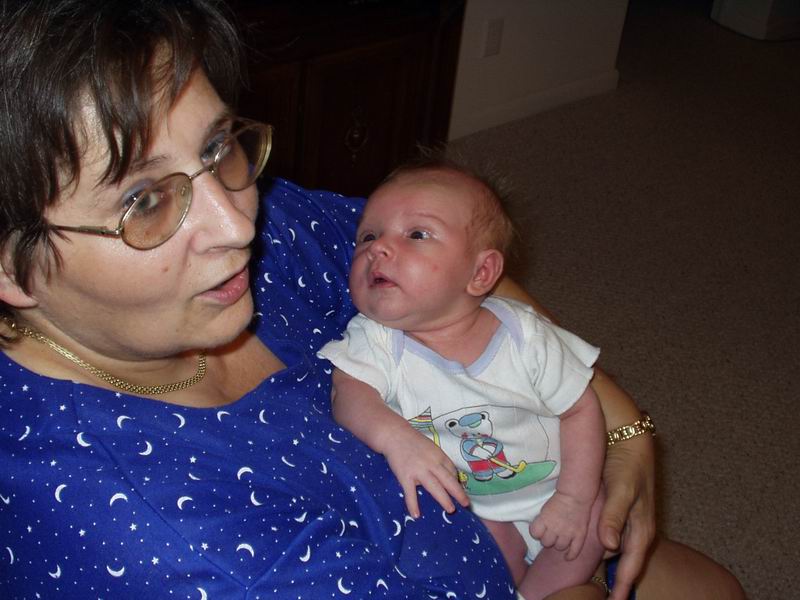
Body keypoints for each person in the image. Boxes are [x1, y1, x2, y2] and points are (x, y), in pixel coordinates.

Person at [0, 1, 745, 599]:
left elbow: (454, 275)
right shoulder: (183, 550)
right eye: (144, 201)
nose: (239, 224)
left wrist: (624, 429)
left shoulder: (268, 232)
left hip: (526, 503)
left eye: (218, 147)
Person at [318, 159, 607, 599]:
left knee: (594, 525)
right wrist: (396, 438)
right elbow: (348, 393)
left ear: (480, 273)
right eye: (368, 236)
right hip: (473, 508)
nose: (378, 249)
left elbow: (581, 410)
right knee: (474, 559)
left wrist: (574, 499)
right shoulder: (376, 338)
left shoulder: (526, 336)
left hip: (558, 487)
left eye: (417, 234)